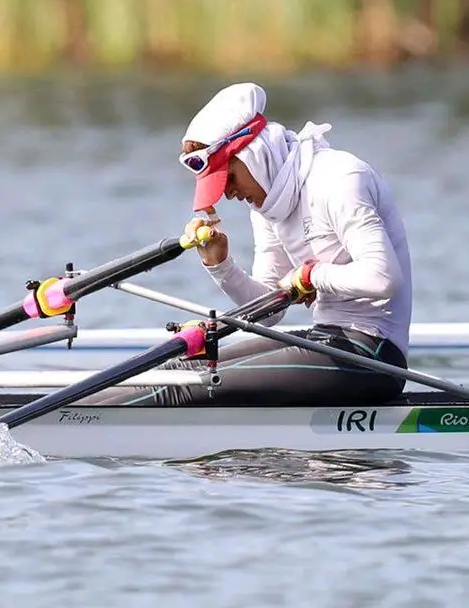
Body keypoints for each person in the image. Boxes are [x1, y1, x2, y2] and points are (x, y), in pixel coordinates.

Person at [85, 82, 412, 407]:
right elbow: (270, 313)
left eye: (228, 178)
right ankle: (73, 414)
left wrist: (312, 276)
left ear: (253, 154)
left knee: (181, 387)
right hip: (328, 338)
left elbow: (383, 278)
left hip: (372, 355)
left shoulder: (339, 179)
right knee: (177, 370)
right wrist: (221, 267)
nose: (228, 194)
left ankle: (69, 426)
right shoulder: (268, 205)